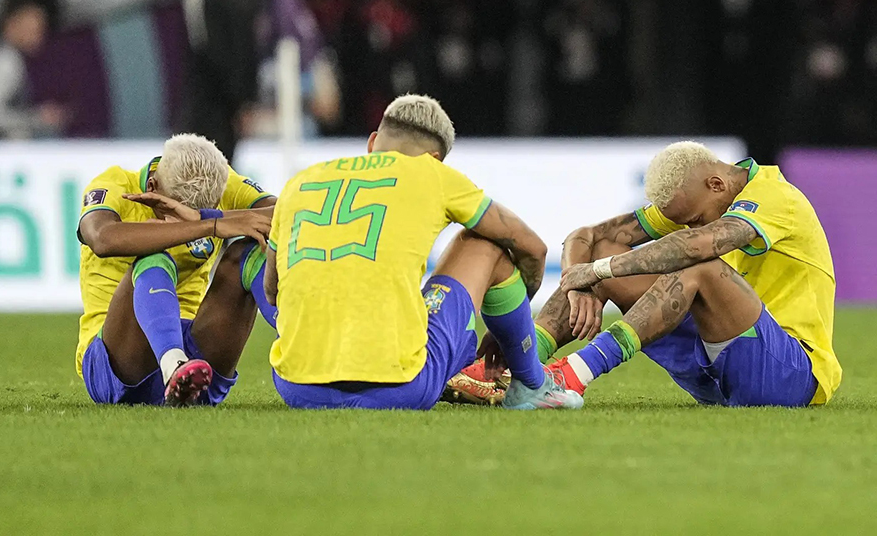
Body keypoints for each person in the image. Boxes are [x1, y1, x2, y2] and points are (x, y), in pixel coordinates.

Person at [452, 141, 840, 408]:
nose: (690, 225)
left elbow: (703, 244)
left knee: (698, 263)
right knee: (605, 252)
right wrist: (580, 281)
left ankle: (573, 374)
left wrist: (600, 270)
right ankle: (513, 365)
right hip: (716, 369)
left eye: (695, 218)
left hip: (789, 374)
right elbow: (587, 236)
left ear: (718, 185)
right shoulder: (705, 195)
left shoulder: (778, 198)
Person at [261, 94, 582, 410]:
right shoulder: (431, 174)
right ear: (434, 158)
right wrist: (511, 326)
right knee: (486, 243)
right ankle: (531, 384)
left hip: (297, 388)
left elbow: (272, 291)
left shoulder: (299, 182)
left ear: (373, 142)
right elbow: (533, 248)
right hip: (402, 388)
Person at [77, 133, 277, 406]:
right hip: (116, 365)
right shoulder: (115, 185)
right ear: (152, 185)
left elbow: (288, 212)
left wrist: (210, 216)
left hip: (198, 369)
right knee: (153, 251)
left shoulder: (223, 183)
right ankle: (172, 362)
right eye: (171, 210)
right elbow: (101, 238)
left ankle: (299, 336)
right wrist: (208, 225)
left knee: (250, 248)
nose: (180, 224)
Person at [179, 0, 259, 162]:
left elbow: (220, 53)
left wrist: (237, 101)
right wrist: (244, 99)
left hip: (213, 105)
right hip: (226, 102)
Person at [0, 0, 65, 140]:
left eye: (40, 30)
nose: (38, 36)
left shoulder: (8, 57)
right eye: (32, 30)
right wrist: (37, 118)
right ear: (11, 26)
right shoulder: (5, 61)